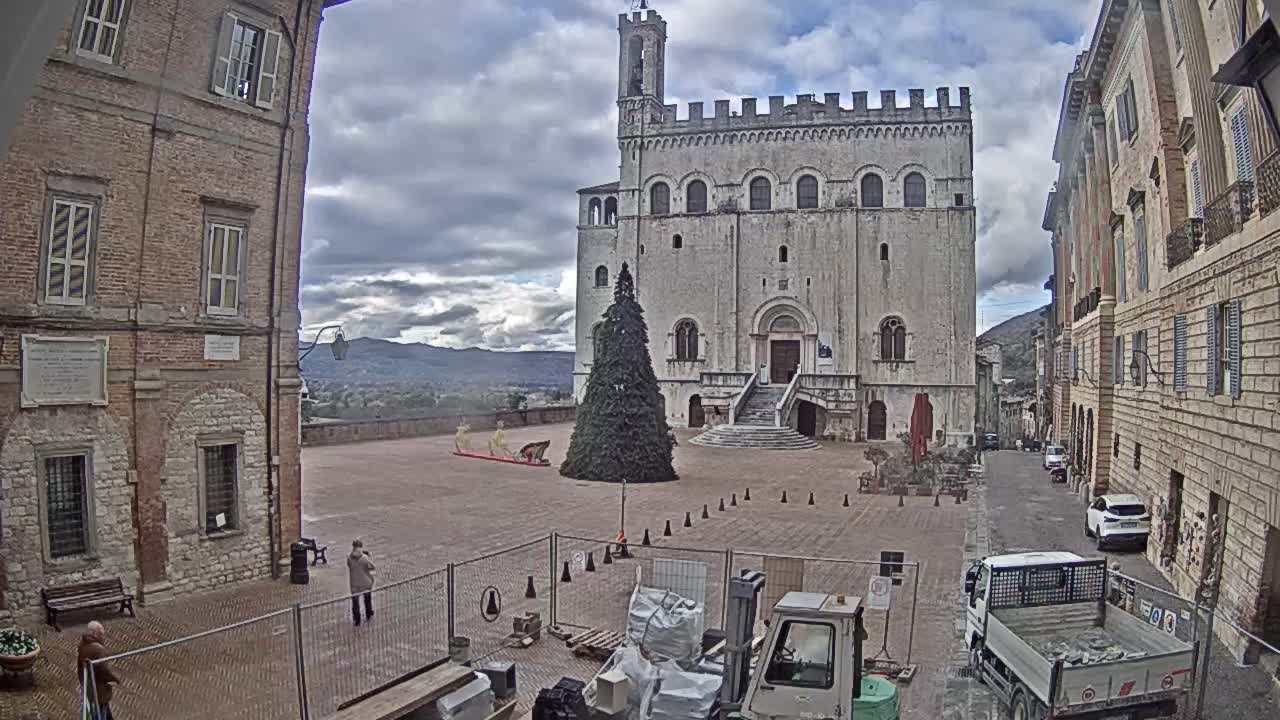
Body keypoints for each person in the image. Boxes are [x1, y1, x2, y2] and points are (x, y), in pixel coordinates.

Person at [77, 621, 118, 720]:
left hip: (88, 684)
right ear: (95, 634)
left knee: (103, 712)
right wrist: (113, 679)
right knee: (100, 712)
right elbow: (103, 669)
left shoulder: (83, 644)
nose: (103, 637)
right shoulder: (98, 650)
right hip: (98, 689)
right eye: (101, 634)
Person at [347, 539, 376, 626]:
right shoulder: (364, 558)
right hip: (365, 582)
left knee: (355, 603)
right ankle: (368, 613)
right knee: (367, 599)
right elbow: (372, 567)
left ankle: (357, 620)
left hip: (354, 583)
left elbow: (349, 565)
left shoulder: (349, 558)